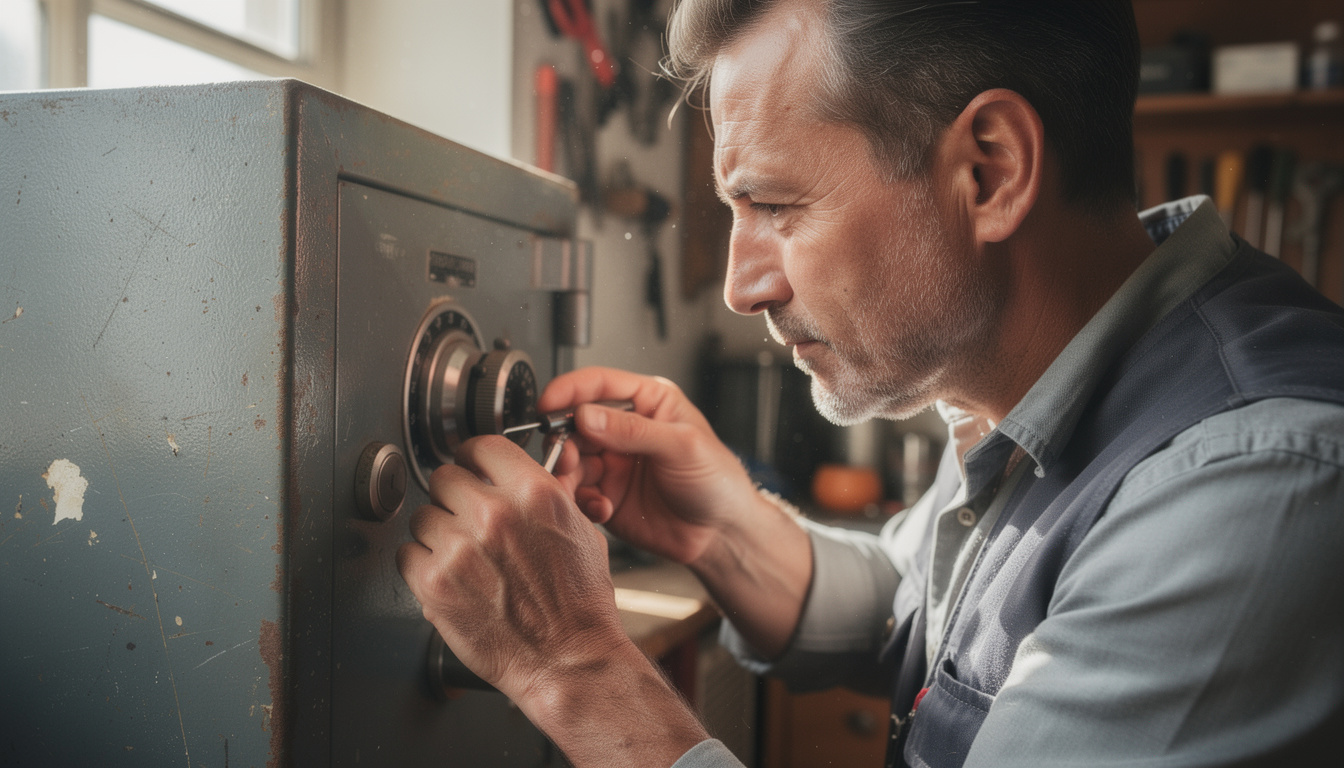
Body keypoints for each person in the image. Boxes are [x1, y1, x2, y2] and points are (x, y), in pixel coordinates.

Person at [396, 1, 1344, 766]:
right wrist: (721, 528)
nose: (740, 286)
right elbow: (928, 609)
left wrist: (575, 666)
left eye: (774, 204)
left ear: (990, 169)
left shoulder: (1249, 488)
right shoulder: (1023, 376)